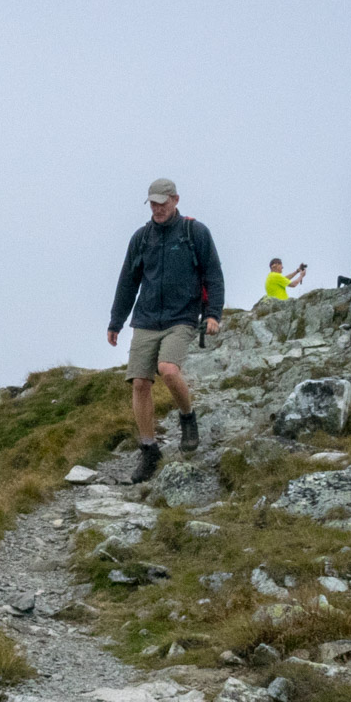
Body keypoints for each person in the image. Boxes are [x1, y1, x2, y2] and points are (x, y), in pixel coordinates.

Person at [107, 177, 225, 483]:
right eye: (153, 203)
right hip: (145, 319)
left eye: (163, 202)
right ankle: (149, 450)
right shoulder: (142, 238)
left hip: (182, 317)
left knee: (169, 370)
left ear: (175, 199)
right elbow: (127, 282)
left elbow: (213, 274)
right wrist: (116, 321)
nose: (158, 208)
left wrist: (213, 315)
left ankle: (188, 417)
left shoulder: (194, 232)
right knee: (139, 383)